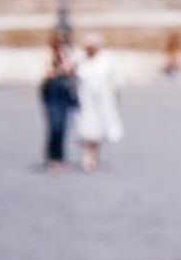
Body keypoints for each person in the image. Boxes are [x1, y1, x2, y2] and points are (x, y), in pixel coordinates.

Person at [74, 33, 124, 174]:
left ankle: (93, 154)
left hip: (103, 102)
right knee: (86, 129)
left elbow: (116, 82)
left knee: (98, 131)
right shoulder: (79, 59)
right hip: (85, 101)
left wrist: (115, 98)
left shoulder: (107, 60)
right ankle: (88, 155)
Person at [40, 32, 77, 174]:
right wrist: (58, 68)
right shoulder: (47, 55)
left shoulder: (67, 55)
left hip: (64, 93)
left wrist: (67, 65)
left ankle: (59, 156)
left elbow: (71, 71)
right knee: (54, 125)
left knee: (62, 126)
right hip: (51, 92)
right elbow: (46, 73)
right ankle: (52, 156)